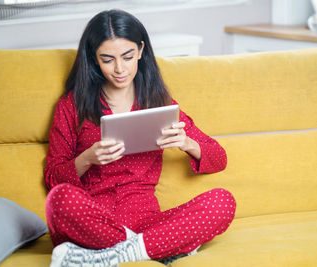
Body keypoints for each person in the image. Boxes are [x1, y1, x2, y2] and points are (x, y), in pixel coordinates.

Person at [44, 9, 236, 267]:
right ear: (94, 58)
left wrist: (187, 143)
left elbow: (219, 157)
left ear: (141, 50)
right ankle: (156, 249)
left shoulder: (159, 104)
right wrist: (87, 159)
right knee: (59, 200)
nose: (120, 69)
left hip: (147, 222)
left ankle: (111, 257)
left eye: (127, 56)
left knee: (222, 202)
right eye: (108, 59)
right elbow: (53, 177)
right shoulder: (71, 105)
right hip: (96, 221)